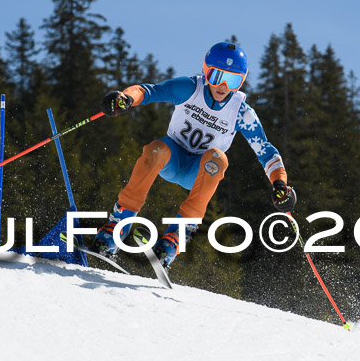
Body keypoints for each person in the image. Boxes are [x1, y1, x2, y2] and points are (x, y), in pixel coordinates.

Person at [93, 41, 296, 269]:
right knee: (154, 150)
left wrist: (280, 184)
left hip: (199, 171)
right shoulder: (190, 89)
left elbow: (266, 152)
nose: (222, 86)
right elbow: (147, 91)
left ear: (241, 81)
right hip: (172, 158)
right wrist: (125, 98)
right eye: (217, 75)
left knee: (218, 158)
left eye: (232, 80)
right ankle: (118, 225)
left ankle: (176, 236)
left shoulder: (242, 113)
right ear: (205, 70)